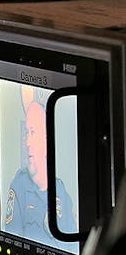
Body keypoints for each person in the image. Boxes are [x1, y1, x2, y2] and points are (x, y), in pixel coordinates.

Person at [5, 96, 77, 245]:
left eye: (33, 132)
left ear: (47, 140)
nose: (28, 143)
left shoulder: (62, 194)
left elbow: (73, 248)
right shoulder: (19, 186)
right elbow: (12, 242)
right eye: (27, 133)